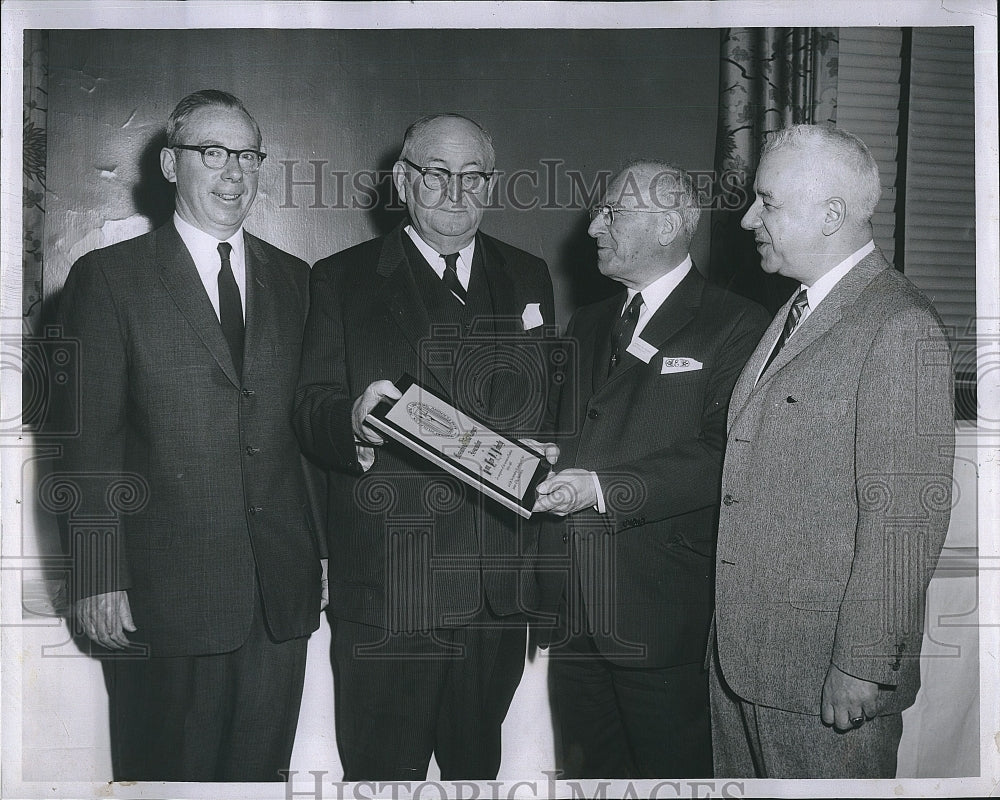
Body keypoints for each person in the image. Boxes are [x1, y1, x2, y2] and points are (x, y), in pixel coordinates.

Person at [57, 89, 325, 782]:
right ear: (172, 166)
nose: (234, 172)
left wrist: (320, 556)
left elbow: (304, 434)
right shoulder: (109, 280)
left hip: (276, 602)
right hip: (162, 600)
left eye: (247, 155)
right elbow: (89, 442)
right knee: (167, 783)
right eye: (213, 152)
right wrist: (96, 575)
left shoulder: (297, 282)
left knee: (259, 785)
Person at [294, 113, 555, 780]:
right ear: (403, 181)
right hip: (390, 585)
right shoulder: (340, 278)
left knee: (477, 775)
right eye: (437, 174)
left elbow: (547, 405)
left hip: (494, 593)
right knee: (383, 778)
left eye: (474, 177)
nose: (455, 192)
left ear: (491, 187)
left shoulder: (528, 276)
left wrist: (550, 447)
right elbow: (309, 407)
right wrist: (352, 419)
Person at [710, 123, 955, 778]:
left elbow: (906, 519)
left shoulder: (899, 324)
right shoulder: (799, 307)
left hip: (825, 678)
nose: (747, 219)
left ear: (831, 215)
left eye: (768, 202)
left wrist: (863, 664)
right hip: (747, 660)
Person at [531, 161, 770, 778]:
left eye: (612, 213)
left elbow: (727, 455)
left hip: (664, 617)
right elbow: (580, 435)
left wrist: (603, 488)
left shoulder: (738, 324)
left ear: (667, 225)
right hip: (578, 613)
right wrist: (549, 459)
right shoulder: (589, 321)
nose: (593, 228)